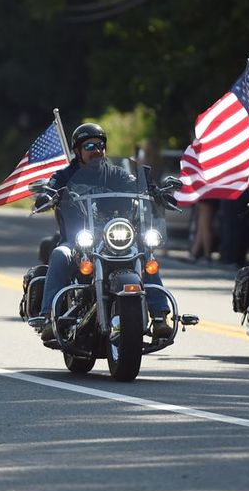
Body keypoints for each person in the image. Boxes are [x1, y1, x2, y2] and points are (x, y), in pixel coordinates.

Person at [34, 123, 173, 341]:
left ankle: (159, 317)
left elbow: (136, 185)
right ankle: (48, 318)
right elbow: (50, 188)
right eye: (90, 146)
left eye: (100, 145)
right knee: (60, 255)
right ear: (77, 151)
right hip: (79, 240)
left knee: (147, 254)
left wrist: (154, 191)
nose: (97, 150)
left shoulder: (116, 173)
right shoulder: (63, 176)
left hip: (115, 238)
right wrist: (47, 195)